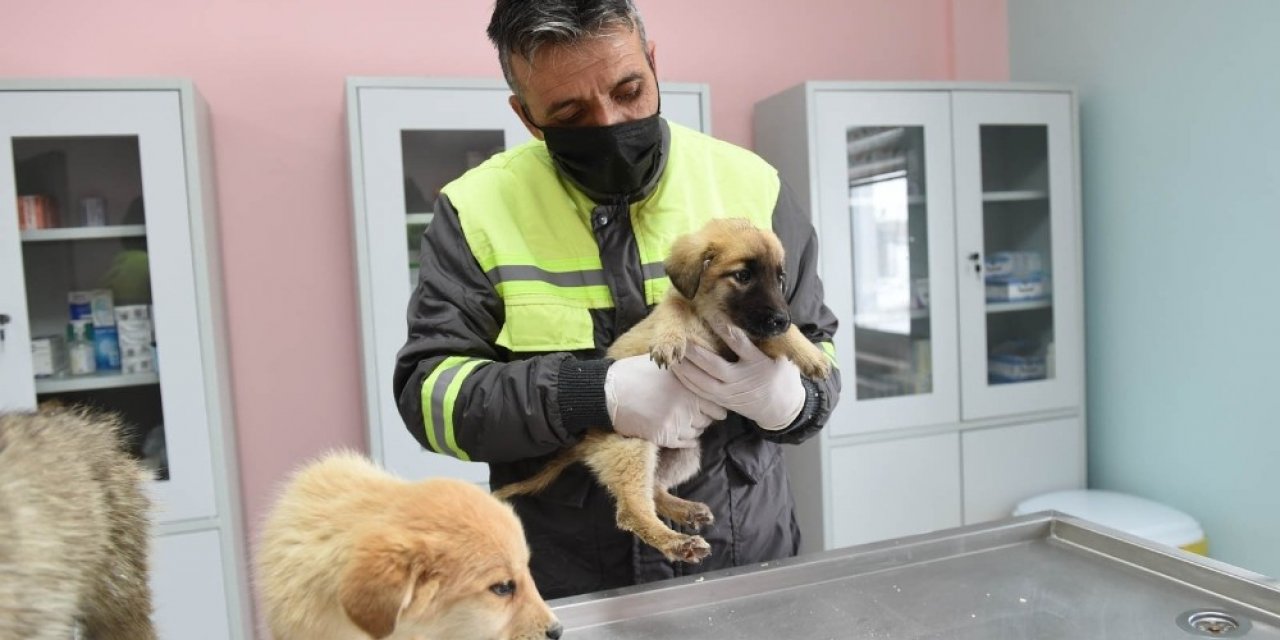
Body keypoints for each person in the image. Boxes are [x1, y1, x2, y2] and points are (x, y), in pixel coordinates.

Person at [393, 0, 841, 600]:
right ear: (527, 115)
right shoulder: (475, 210)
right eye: (570, 112)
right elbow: (430, 396)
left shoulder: (751, 184)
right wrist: (587, 393)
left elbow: (820, 356)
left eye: (629, 89)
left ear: (654, 64)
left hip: (744, 563)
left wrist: (789, 401)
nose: (609, 122)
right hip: (567, 581)